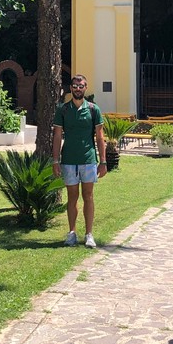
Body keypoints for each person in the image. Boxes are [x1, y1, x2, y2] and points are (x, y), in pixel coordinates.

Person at [52, 74, 107, 248]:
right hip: (68, 160)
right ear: (71, 88)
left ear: (85, 88)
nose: (78, 89)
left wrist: (103, 161)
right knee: (72, 197)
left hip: (88, 159)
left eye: (81, 86)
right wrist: (55, 161)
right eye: (75, 86)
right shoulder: (63, 109)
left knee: (88, 196)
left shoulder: (93, 109)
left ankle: (89, 234)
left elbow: (100, 137)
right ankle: (72, 233)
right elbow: (57, 136)